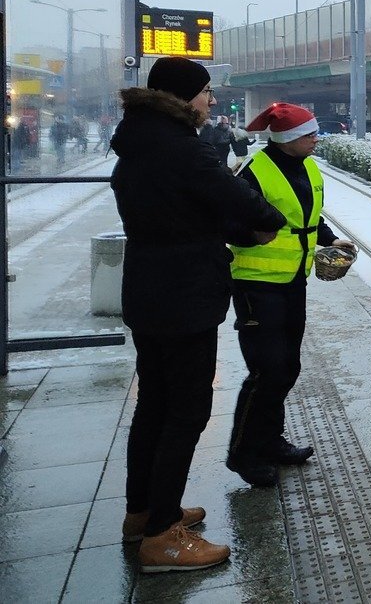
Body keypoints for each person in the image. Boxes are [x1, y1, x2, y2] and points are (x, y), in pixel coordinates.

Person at [110, 56, 285, 572]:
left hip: (148, 287)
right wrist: (262, 222)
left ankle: (142, 513)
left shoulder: (138, 141)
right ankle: (163, 536)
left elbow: (181, 209)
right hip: (185, 293)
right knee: (186, 411)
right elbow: (246, 204)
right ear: (184, 97)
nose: (211, 100)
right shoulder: (183, 148)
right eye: (207, 92)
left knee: (154, 406)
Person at [225, 102, 356, 487]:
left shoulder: (309, 166)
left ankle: (270, 440)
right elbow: (229, 223)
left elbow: (308, 218)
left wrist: (331, 240)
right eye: (310, 134)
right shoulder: (254, 172)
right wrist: (252, 236)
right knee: (267, 370)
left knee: (288, 367)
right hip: (255, 284)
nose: (317, 139)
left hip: (293, 282)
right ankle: (243, 454)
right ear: (287, 139)